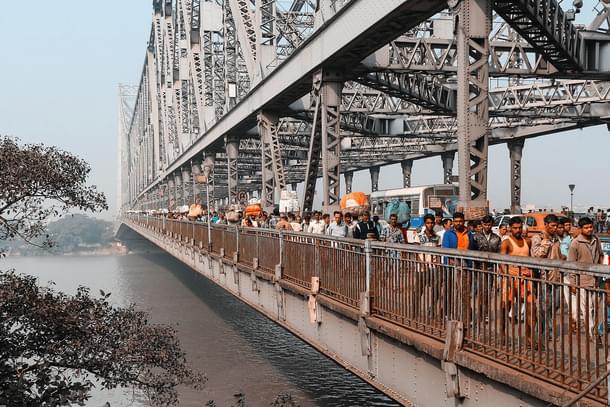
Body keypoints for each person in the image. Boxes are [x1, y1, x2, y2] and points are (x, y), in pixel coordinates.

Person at [499, 216, 536, 348]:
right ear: (510, 228)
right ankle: (503, 334)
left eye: (520, 227)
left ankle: (530, 339)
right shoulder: (506, 242)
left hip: (526, 277)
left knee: (532, 308)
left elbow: (530, 258)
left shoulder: (527, 241)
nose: (518, 230)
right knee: (505, 307)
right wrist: (507, 277)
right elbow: (501, 262)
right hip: (511, 277)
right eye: (515, 228)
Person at [567, 217, 604, 337]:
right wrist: (573, 283)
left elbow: (601, 256)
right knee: (587, 308)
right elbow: (571, 264)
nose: (589, 230)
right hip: (582, 280)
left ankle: (592, 329)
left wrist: (599, 271)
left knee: (595, 307)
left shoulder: (596, 240)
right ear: (580, 229)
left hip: (595, 280)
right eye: (586, 228)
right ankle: (592, 333)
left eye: (590, 227)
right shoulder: (575, 243)